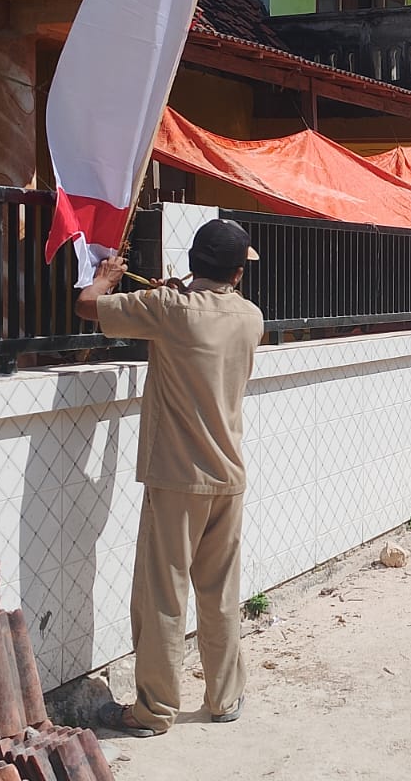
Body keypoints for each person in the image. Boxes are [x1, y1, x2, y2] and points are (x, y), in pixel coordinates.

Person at [75, 219, 264, 736]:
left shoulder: (167, 309)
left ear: (193, 262)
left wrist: (109, 276)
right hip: (229, 475)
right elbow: (200, 320)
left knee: (162, 593)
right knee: (220, 592)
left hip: (178, 477)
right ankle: (225, 697)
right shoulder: (250, 317)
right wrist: (178, 296)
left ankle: (154, 710)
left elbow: (87, 307)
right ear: (237, 272)